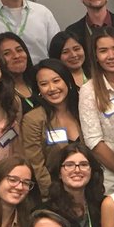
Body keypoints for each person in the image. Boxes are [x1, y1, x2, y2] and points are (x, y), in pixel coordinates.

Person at [78, 27, 114, 194]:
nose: (111, 56)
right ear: (96, 57)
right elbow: (93, 141)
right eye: (103, 51)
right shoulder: (89, 90)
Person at [21, 58, 81, 196]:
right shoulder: (34, 119)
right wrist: (56, 195)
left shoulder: (81, 110)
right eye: (44, 84)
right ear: (39, 89)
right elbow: (36, 166)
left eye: (56, 81)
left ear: (67, 82)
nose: (52, 88)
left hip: (88, 188)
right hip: (54, 193)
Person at [44, 143, 105, 227]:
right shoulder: (47, 212)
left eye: (83, 165)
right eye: (69, 165)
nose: (77, 170)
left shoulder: (104, 205)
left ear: (92, 171)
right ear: (59, 173)